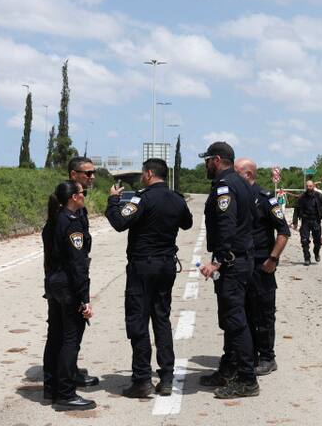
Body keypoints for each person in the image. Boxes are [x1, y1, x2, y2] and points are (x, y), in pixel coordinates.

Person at [105, 158, 193, 399]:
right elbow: (188, 223)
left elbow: (120, 222)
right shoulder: (176, 198)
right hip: (166, 266)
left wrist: (113, 200)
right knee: (161, 319)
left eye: (144, 173)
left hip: (143, 266)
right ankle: (166, 378)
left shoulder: (141, 198)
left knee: (138, 320)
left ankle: (142, 379)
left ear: (149, 174)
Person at [196, 142, 260, 399]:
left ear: (217, 159)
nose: (206, 165)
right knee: (232, 319)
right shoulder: (242, 183)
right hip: (243, 259)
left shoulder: (225, 186)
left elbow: (226, 224)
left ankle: (247, 379)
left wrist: (219, 260)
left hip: (232, 263)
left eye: (207, 160)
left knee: (235, 321)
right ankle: (229, 368)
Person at [41, 180, 96, 411]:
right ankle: (66, 393)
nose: (84, 196)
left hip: (53, 284)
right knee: (70, 339)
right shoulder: (72, 223)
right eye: (82, 193)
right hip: (67, 287)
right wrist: (84, 299)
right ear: (74, 197)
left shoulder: (54, 220)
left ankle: (51, 386)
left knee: (55, 335)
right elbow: (78, 264)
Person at [234, 157, 291, 375]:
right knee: (245, 312)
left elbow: (284, 231)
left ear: (248, 174)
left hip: (261, 265)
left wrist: (273, 259)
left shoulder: (265, 198)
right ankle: (251, 355)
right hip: (242, 264)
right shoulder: (236, 196)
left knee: (264, 314)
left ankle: (268, 357)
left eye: (237, 172)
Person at [65, 156, 100, 388]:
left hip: (69, 276)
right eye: (87, 173)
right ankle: (65, 380)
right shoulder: (68, 203)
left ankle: (66, 372)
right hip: (70, 279)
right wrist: (83, 295)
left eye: (93, 172)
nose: (92, 177)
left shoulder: (77, 203)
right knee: (70, 332)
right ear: (73, 175)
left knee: (69, 331)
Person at [292, 179, 322, 264]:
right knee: (304, 240)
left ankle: (316, 253)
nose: (309, 188)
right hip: (305, 221)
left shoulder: (318, 196)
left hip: (316, 221)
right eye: (307, 186)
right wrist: (295, 222)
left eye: (310, 186)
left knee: (317, 242)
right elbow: (296, 210)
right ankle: (307, 258)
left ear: (313, 186)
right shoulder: (301, 197)